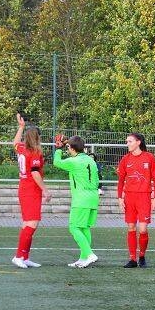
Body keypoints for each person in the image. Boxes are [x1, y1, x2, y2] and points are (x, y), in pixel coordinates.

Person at [11, 112, 52, 269]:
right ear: (37, 138)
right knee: (32, 223)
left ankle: (24, 256)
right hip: (30, 190)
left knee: (28, 223)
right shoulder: (34, 152)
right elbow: (35, 173)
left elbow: (15, 142)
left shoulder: (22, 148)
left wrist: (21, 127)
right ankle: (18, 256)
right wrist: (46, 190)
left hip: (24, 188)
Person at [53, 135, 100, 268]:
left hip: (81, 198)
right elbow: (97, 180)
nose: (67, 149)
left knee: (73, 227)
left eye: (68, 147)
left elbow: (57, 162)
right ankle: (83, 258)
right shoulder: (91, 160)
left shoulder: (74, 161)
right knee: (84, 227)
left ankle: (90, 254)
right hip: (93, 197)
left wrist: (58, 149)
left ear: (72, 148)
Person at [117, 133, 155, 268]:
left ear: (138, 142)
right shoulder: (125, 159)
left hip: (144, 197)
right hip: (129, 197)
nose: (127, 144)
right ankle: (132, 259)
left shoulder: (149, 157)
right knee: (131, 227)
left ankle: (142, 255)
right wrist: (120, 198)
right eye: (127, 142)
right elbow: (121, 181)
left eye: (130, 141)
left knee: (142, 229)